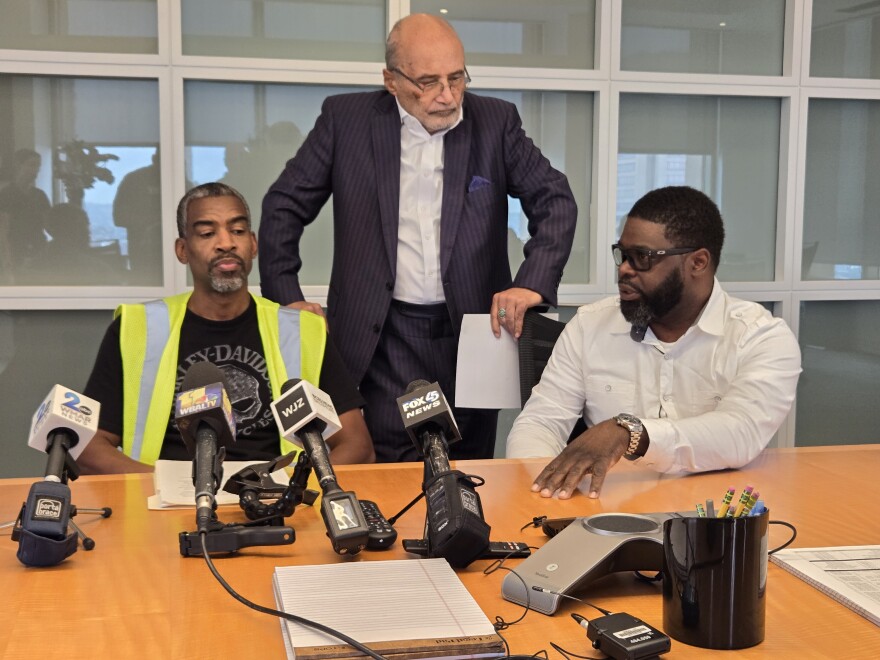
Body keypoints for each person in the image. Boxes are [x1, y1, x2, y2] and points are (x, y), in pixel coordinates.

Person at [259, 14, 578, 462]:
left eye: (456, 78)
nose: (447, 96)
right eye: (427, 82)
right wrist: (287, 299)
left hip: (469, 333)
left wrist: (532, 283)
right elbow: (282, 206)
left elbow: (556, 200)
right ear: (391, 80)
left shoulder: (495, 121)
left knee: (467, 470)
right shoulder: (346, 120)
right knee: (384, 469)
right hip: (380, 333)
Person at [506, 186, 802, 499]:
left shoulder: (760, 337)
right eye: (622, 255)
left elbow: (741, 433)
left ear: (698, 262)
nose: (624, 269)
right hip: (609, 513)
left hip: (715, 517)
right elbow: (540, 423)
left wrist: (630, 433)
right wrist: (541, 488)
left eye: (642, 258)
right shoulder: (590, 325)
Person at [78, 183, 374, 474]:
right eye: (207, 233)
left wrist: (297, 491)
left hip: (278, 503)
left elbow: (356, 445)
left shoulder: (303, 331)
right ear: (183, 250)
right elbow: (90, 447)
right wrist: (159, 486)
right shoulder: (136, 329)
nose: (226, 243)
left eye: (238, 230)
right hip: (165, 505)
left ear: (253, 244)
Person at [0, 148, 50, 275]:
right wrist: (7, 258)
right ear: (18, 165)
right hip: (15, 250)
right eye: (32, 165)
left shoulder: (40, 195)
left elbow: (48, 223)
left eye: (38, 166)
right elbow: (3, 229)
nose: (36, 170)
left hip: (38, 249)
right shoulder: (5, 194)